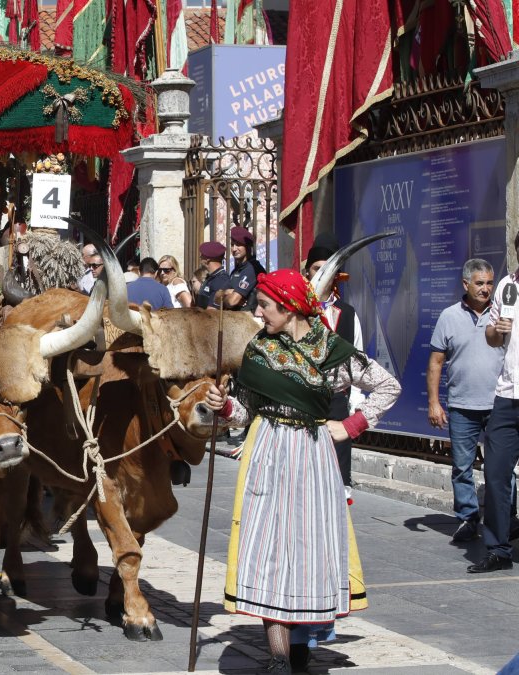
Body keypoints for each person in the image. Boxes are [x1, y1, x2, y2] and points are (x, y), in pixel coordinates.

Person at [200, 268, 400, 673]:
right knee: (268, 551)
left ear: (290, 307)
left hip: (313, 458)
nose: (258, 313)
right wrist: (223, 406)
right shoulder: (258, 349)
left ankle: (301, 644)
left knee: (310, 552)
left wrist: (351, 425)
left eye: (265, 306)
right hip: (268, 453)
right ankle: (277, 657)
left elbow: (388, 386)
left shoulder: (332, 350)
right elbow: (244, 414)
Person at [425, 259, 503, 543]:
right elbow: (435, 362)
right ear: (465, 284)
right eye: (480, 283)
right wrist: (434, 403)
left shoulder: (503, 313)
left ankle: (506, 518)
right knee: (462, 466)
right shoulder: (448, 316)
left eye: (490, 283)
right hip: (462, 406)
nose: (486, 289)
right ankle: (468, 519)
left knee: (501, 466)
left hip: (500, 405)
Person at [471, 234, 519, 573]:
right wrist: (498, 331)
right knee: (496, 472)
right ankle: (498, 549)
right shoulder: (506, 285)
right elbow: (491, 337)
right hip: (507, 395)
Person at [304, 236, 367, 488]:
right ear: (307, 272)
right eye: (316, 269)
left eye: (328, 269)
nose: (322, 274)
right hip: (302, 398)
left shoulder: (348, 313)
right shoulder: (295, 310)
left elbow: (358, 356)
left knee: (338, 470)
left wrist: (356, 397)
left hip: (337, 398)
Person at [222, 226, 267, 311]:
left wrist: (225, 296)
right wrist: (226, 292)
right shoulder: (236, 270)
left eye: (238, 244)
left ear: (247, 246)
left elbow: (232, 302)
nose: (234, 249)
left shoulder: (252, 269)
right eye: (232, 245)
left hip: (251, 320)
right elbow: (216, 296)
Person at [195, 241, 229, 310]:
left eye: (202, 255)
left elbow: (212, 312)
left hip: (208, 319)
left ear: (207, 259)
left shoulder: (221, 280)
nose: (200, 257)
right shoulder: (211, 277)